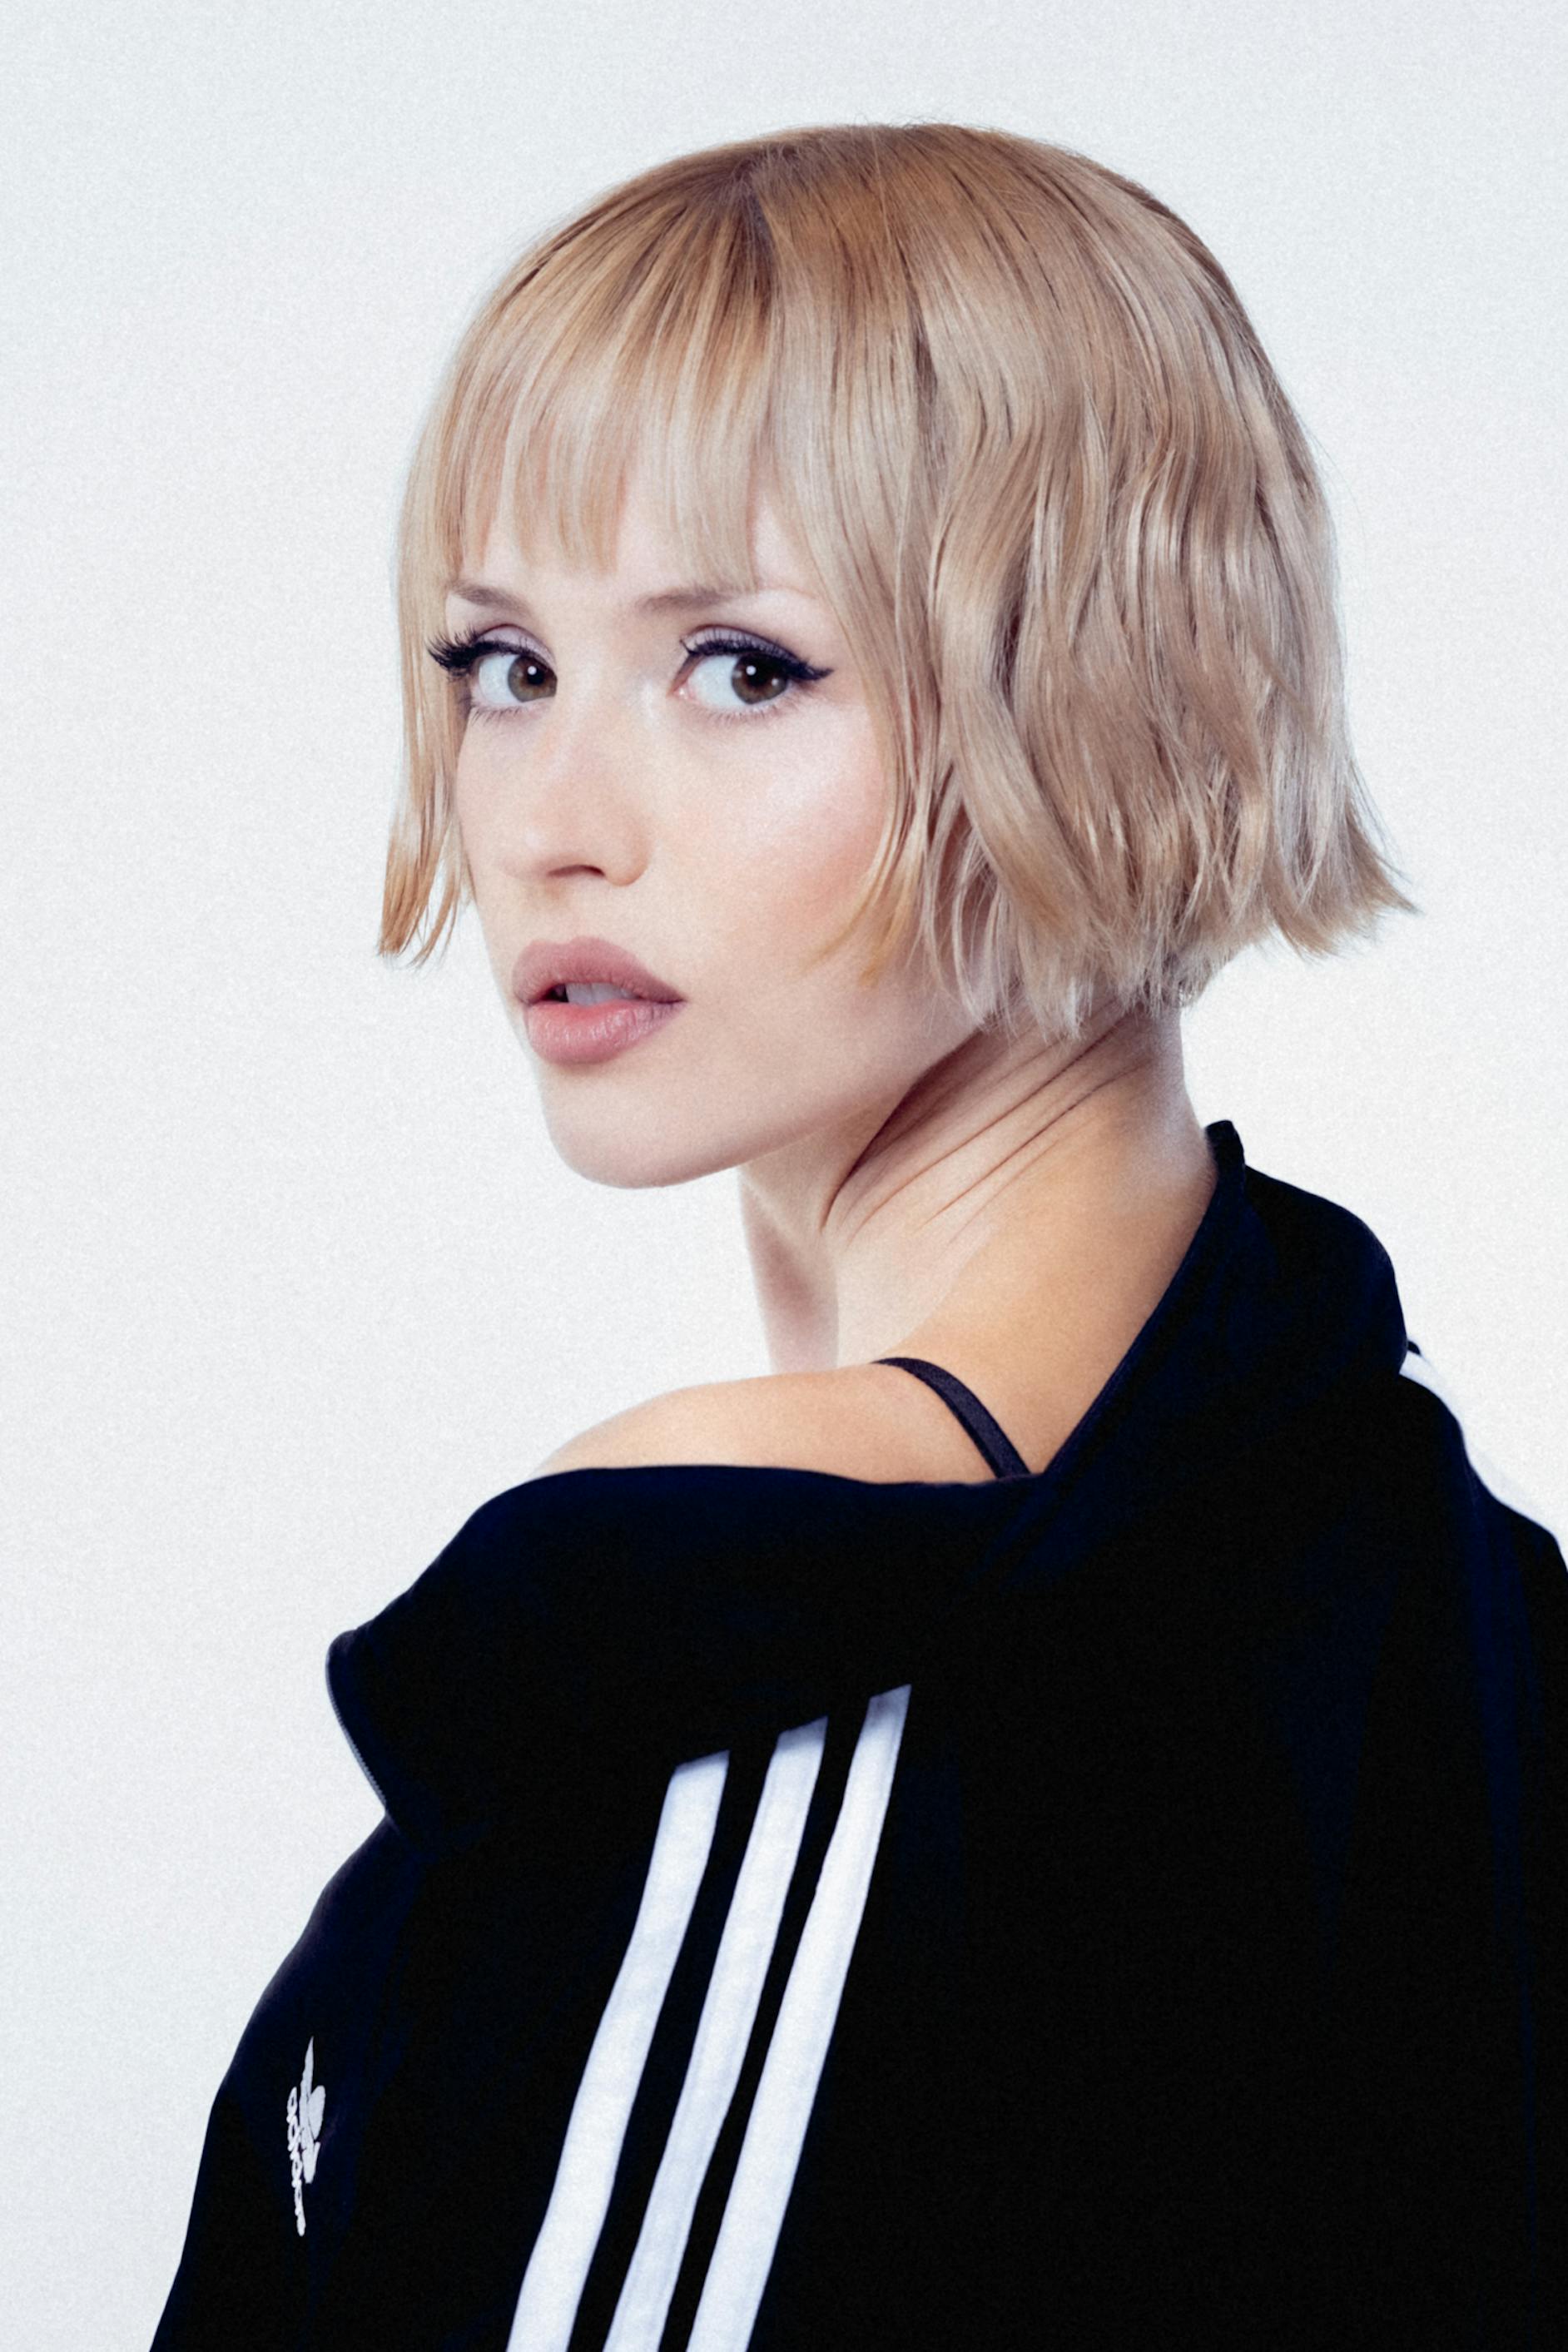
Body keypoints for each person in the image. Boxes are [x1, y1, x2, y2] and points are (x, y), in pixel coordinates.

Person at [151, 122, 1566, 2351]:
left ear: (1121, 690)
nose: (551, 823)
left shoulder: (764, 1654)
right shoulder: (1438, 1585)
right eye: (503, 662)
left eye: (741, 666)